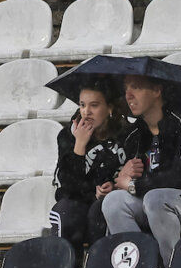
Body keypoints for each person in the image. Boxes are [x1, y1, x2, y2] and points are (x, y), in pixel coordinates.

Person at [102, 75, 181, 267]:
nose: (128, 96)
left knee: (156, 200)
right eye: (126, 89)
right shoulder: (135, 134)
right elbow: (120, 178)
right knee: (113, 202)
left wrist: (134, 185)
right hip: (158, 196)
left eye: (136, 87)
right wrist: (121, 176)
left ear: (156, 91)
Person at [50, 79, 128, 249]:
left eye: (94, 105)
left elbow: (129, 173)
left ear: (109, 108)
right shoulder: (68, 136)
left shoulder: (126, 135)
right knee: (65, 211)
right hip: (78, 202)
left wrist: (112, 188)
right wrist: (79, 145)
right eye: (82, 105)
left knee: (100, 210)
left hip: (109, 203)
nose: (87, 112)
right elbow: (68, 188)